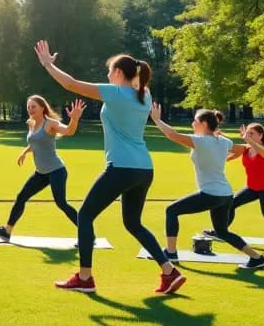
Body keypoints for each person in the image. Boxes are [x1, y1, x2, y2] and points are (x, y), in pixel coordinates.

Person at [34, 40, 183, 294]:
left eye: (109, 70)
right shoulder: (143, 95)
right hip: (144, 169)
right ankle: (169, 271)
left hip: (121, 168)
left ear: (117, 73)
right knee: (133, 223)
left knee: (85, 216)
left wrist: (48, 64)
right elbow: (136, 85)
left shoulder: (117, 93)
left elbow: (71, 84)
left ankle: (84, 278)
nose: (107, 75)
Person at [151, 106, 264, 269]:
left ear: (204, 124)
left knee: (171, 210)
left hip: (210, 194)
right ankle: (257, 258)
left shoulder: (201, 141)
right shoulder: (223, 141)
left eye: (195, 121)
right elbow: (243, 149)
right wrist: (225, 158)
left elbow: (172, 135)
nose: (193, 124)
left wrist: (156, 119)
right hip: (226, 195)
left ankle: (171, 252)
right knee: (222, 232)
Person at [0, 96, 85, 241]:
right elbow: (35, 142)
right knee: (21, 197)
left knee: (61, 203)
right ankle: (6, 231)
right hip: (41, 173)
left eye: (34, 107)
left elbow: (69, 131)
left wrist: (74, 119)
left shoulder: (50, 124)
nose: (30, 109)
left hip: (56, 170)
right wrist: (25, 152)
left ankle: (87, 233)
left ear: (42, 108)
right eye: (29, 107)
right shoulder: (31, 123)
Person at [203, 123, 264, 248]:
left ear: (261, 135)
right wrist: (218, 138)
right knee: (231, 204)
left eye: (252, 134)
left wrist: (249, 141)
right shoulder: (246, 148)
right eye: (248, 133)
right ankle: (221, 232)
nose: (248, 136)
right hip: (251, 188)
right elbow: (230, 151)